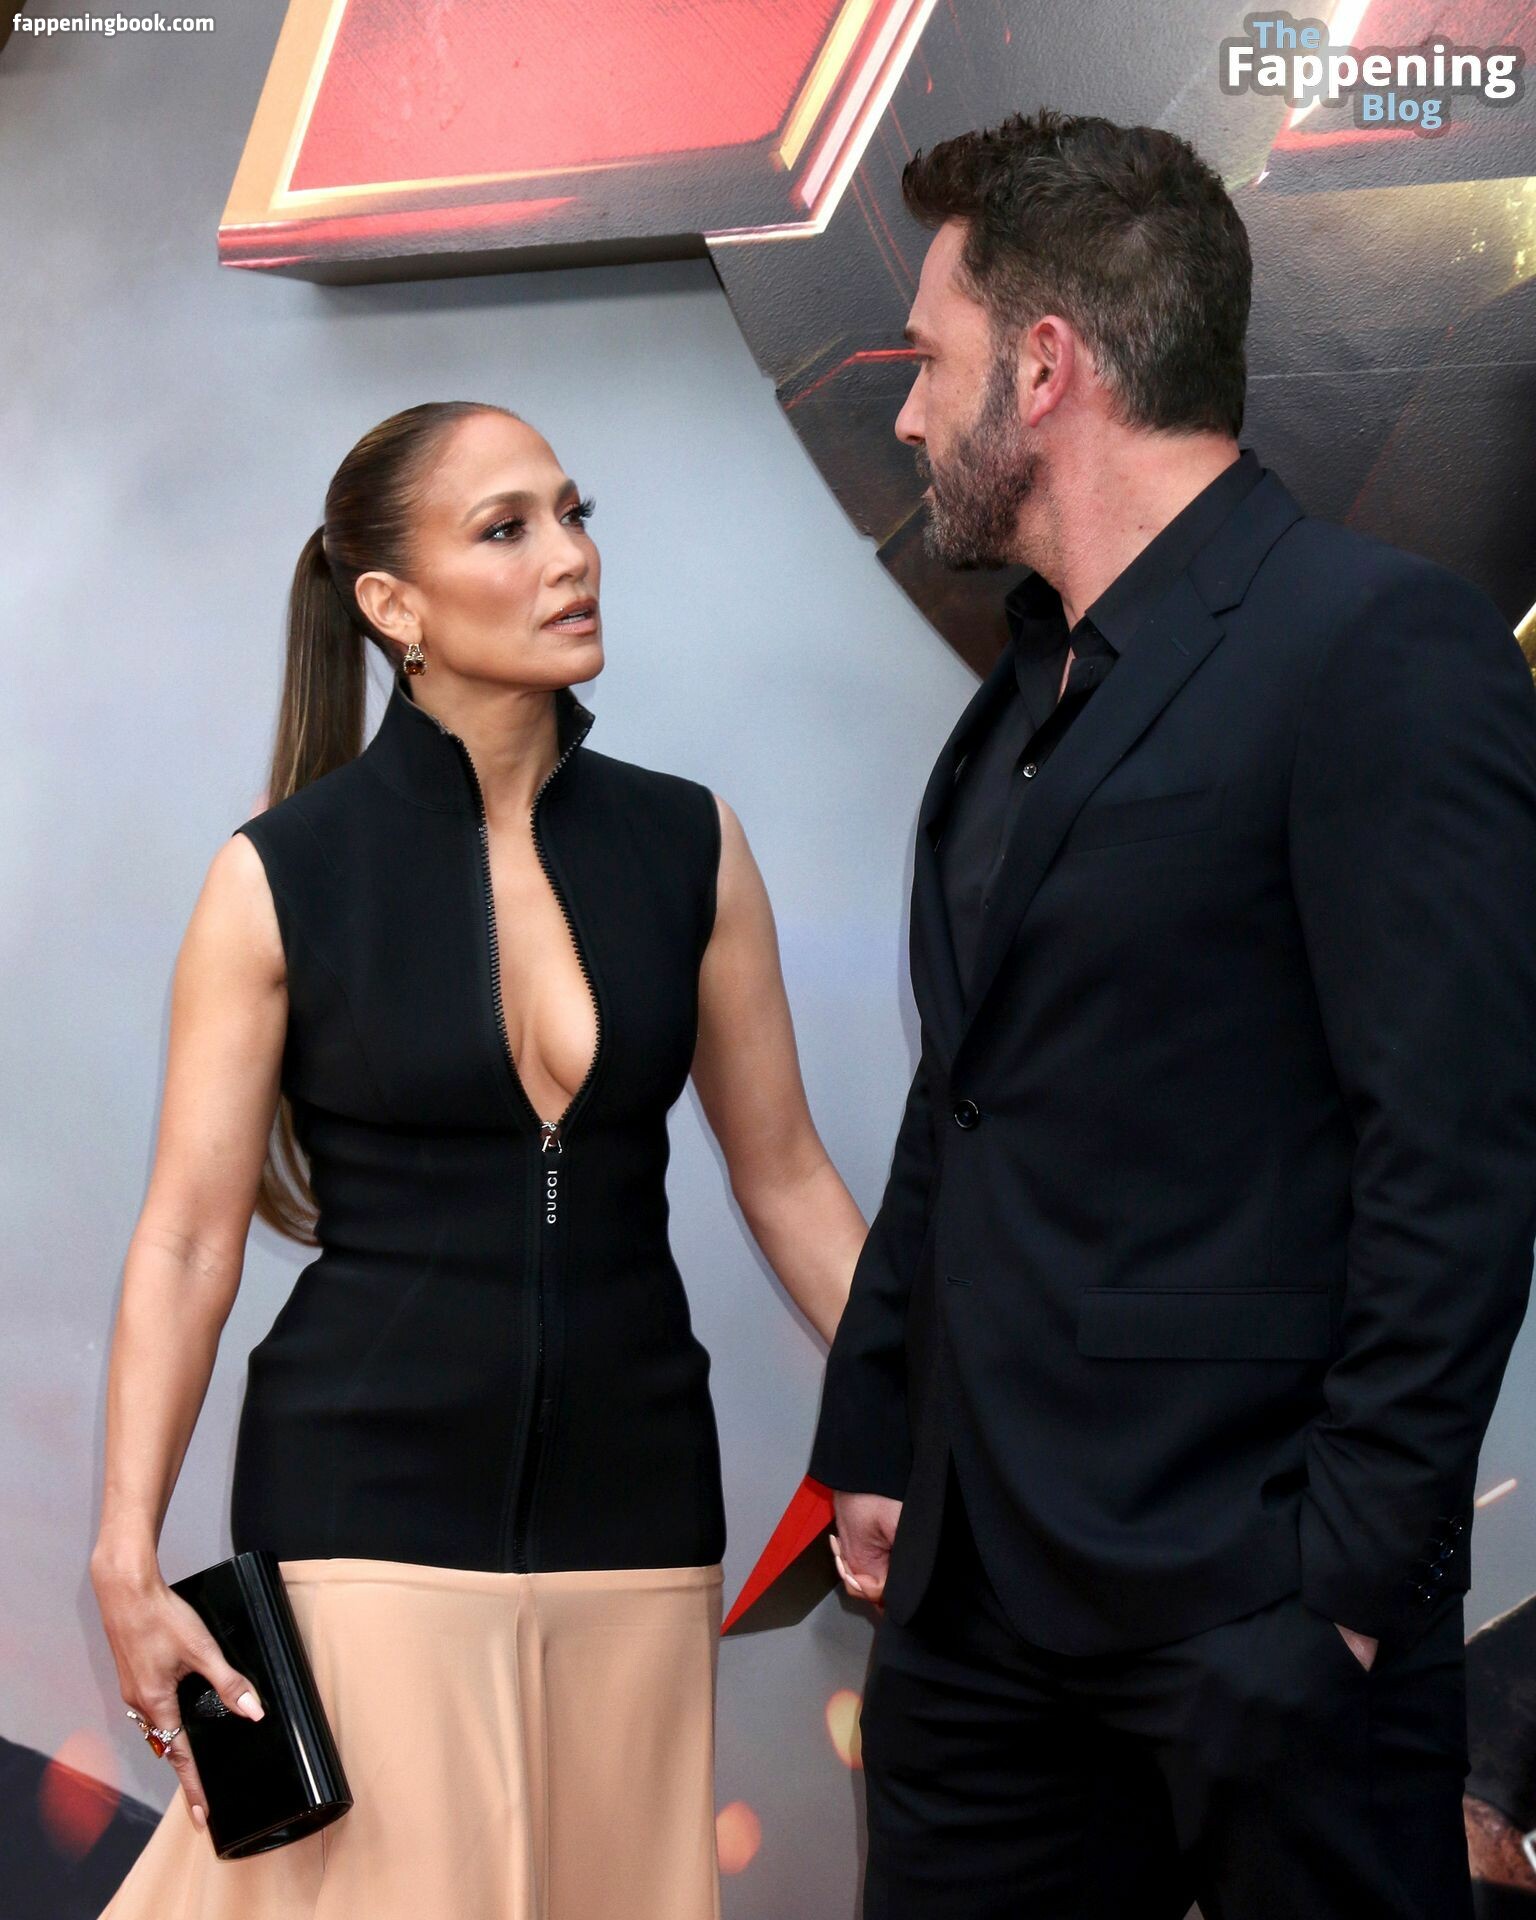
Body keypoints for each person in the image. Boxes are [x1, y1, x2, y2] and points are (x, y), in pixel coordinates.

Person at [815, 108, 1536, 1919]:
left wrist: (1346, 1593)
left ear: (1044, 367)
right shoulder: (1020, 697)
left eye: (930, 362)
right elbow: (965, 1097)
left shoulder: (1377, 647)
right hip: (977, 1614)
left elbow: (1453, 1156)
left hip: (1253, 1603)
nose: (906, 416)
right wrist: (879, 1434)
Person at [90, 400, 867, 1919]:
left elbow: (787, 1179)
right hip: (362, 1523)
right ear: (394, 607)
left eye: (575, 514)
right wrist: (127, 1553)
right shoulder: (280, 877)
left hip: (638, 1527)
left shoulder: (690, 845)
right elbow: (186, 1240)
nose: (570, 558)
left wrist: (930, 1409)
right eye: (508, 529)